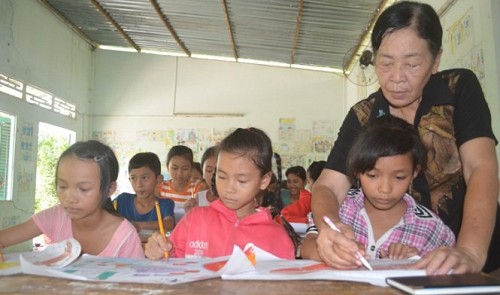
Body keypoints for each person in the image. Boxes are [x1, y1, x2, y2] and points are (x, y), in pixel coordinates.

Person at [311, 1, 499, 274]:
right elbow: (328, 187)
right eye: (386, 63)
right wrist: (331, 228)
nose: (396, 78)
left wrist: (469, 252)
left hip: (482, 255)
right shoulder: (363, 115)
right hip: (404, 264)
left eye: (412, 64)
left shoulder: (458, 90)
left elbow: (480, 167)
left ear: (435, 61)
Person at [302, 116, 456, 262]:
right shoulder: (339, 208)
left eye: (399, 177)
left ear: (414, 173)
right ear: (356, 171)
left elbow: (448, 272)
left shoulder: (431, 228)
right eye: (373, 175)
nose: (385, 189)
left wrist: (416, 261)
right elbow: (307, 247)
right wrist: (334, 254)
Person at [144, 128, 295, 260]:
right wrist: (159, 251)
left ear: (264, 180)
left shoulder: (277, 238)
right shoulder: (195, 219)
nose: (229, 188)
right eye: (222, 177)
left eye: (241, 180)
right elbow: (171, 260)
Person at [0, 140, 144, 260]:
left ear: (110, 189)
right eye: (62, 186)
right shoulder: (56, 216)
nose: (69, 198)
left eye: (84, 189)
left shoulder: (124, 236)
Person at [114, 152, 175, 232]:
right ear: (129, 180)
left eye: (145, 178)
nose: (139, 185)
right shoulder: (122, 200)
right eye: (133, 178)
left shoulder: (165, 204)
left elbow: (169, 224)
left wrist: (140, 225)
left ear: (158, 179)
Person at [157, 145, 205, 223]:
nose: (179, 173)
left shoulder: (197, 187)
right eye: (175, 168)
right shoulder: (160, 187)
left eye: (185, 169)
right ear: (167, 167)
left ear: (191, 169)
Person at [184, 146, 219, 213]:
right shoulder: (199, 197)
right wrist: (189, 213)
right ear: (202, 171)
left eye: (218, 170)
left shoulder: (231, 200)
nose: (213, 175)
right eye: (209, 170)